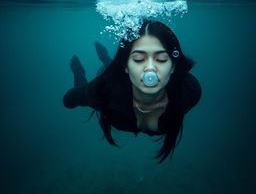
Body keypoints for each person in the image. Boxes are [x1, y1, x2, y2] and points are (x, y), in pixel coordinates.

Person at [63, 19, 201, 163]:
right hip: (113, 81)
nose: (150, 71)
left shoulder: (188, 90)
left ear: (173, 67)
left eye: (161, 58)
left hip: (118, 79)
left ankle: (107, 58)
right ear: (126, 66)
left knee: (112, 75)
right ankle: (101, 62)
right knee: (95, 84)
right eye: (138, 59)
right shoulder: (104, 90)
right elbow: (68, 99)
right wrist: (78, 74)